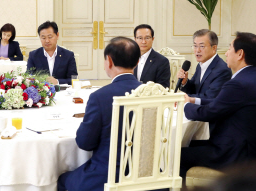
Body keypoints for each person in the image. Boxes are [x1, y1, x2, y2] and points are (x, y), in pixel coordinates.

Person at [180, 32, 256, 182]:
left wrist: (185, 106)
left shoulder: (239, 83)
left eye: (229, 48)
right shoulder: (251, 77)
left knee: (176, 154)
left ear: (240, 54)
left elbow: (210, 112)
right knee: (190, 143)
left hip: (233, 155)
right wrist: (193, 102)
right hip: (241, 147)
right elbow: (220, 103)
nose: (226, 53)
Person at [57, 37, 142, 191]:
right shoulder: (153, 92)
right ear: (137, 62)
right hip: (146, 175)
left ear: (108, 61)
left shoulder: (101, 96)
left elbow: (84, 143)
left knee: (63, 180)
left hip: (107, 176)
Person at [178, 29, 231, 103]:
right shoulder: (200, 65)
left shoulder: (222, 70)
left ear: (214, 48)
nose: (197, 50)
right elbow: (194, 89)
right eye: (195, 46)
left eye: (202, 46)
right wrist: (185, 82)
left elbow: (210, 97)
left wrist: (184, 98)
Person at [27, 21, 77, 85]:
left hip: (63, 92)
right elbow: (29, 77)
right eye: (43, 38)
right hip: (41, 93)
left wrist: (57, 82)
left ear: (57, 35)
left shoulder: (68, 55)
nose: (47, 41)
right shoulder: (33, 55)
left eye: (50, 37)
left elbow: (74, 79)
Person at [133, 24, 170, 88]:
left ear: (153, 39)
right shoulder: (129, 58)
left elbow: (163, 87)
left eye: (147, 38)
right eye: (140, 38)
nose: (143, 42)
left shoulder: (162, 61)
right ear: (135, 39)